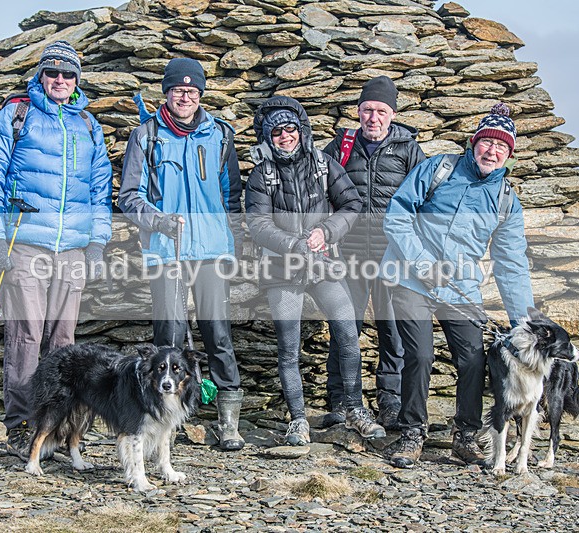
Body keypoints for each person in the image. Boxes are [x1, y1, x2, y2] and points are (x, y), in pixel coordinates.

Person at [0, 40, 113, 458]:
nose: (60, 80)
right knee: (25, 335)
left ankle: (53, 428)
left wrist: (97, 243)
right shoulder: (16, 115)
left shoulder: (88, 125)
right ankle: (19, 427)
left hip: (71, 249)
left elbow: (101, 191)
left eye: (69, 74)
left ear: (77, 81)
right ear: (41, 75)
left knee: (63, 342)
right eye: (53, 72)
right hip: (25, 242)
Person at [380, 103, 534, 468]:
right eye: (486, 143)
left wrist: (522, 324)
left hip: (460, 287)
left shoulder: (506, 201)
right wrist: (422, 263)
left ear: (508, 154)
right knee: (418, 355)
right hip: (409, 278)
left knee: (473, 358)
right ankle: (412, 433)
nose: (491, 152)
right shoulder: (439, 168)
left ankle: (464, 435)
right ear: (473, 142)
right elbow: (397, 215)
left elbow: (511, 265)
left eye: (501, 147)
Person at [118, 58, 246, 451]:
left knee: (218, 334)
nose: (185, 96)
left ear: (200, 95)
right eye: (178, 90)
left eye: (192, 91)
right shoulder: (146, 135)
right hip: (165, 251)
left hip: (211, 252)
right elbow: (128, 196)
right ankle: (162, 421)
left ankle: (229, 424)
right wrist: (158, 221)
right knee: (168, 338)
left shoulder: (220, 135)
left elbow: (231, 196)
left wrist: (232, 243)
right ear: (167, 93)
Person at [245, 95, 386, 446]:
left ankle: (354, 408)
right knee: (288, 346)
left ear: (302, 130)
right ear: (268, 137)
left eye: (291, 129)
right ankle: (298, 420)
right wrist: (294, 244)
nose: (285, 136)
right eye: (276, 132)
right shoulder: (262, 175)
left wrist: (327, 231)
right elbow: (258, 224)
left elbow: (351, 204)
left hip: (324, 264)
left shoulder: (323, 164)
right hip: (282, 269)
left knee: (348, 333)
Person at [322, 76, 426, 429]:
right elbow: (319, 193)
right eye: (367, 110)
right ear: (358, 111)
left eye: (381, 111)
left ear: (392, 114)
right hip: (347, 254)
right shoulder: (339, 147)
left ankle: (390, 403)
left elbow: (424, 202)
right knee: (344, 328)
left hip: (393, 256)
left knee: (392, 330)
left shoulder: (409, 150)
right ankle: (340, 400)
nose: (373, 117)